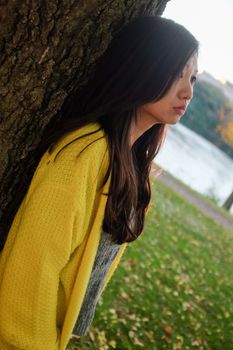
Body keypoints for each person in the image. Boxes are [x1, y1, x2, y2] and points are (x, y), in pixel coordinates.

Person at [0, 15, 198, 350]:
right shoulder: (85, 153)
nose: (188, 91)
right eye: (177, 74)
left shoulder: (129, 161)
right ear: (143, 68)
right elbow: (33, 270)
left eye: (193, 78)